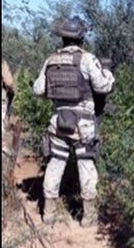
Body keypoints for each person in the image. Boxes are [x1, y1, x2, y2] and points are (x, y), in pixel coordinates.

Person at [32, 17, 115, 226]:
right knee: (86, 166)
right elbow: (103, 86)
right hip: (83, 124)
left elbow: (38, 89)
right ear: (81, 37)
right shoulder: (86, 59)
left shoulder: (50, 60)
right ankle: (89, 217)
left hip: (58, 121)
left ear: (63, 37)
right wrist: (109, 74)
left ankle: (48, 214)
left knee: (55, 163)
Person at [1, 58, 15, 157]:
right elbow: (8, 82)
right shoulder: (2, 62)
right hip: (2, 94)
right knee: (2, 119)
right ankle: (2, 145)